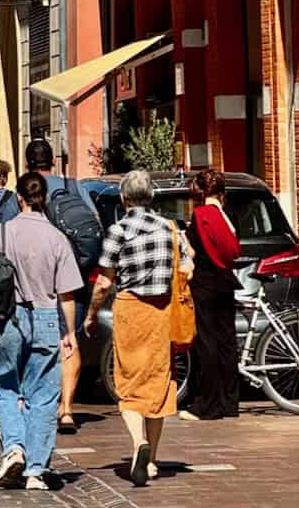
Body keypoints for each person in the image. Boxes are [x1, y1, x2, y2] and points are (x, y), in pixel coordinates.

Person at [84, 169, 193, 488]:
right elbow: (189, 265)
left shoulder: (118, 231)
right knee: (158, 380)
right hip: (162, 311)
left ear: (123, 199)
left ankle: (137, 443)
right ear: (152, 196)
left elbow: (104, 282)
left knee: (129, 379)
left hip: (130, 308)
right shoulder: (170, 228)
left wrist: (91, 314)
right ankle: (153, 459)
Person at [0, 171, 83, 491]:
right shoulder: (57, 237)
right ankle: (36, 470)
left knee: (6, 386)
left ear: (19, 198)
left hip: (9, 317)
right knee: (43, 395)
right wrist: (70, 332)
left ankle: (14, 448)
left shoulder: (1, 233)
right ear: (45, 199)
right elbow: (67, 293)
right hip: (45, 316)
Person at [24, 137, 99, 435]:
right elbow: (93, 223)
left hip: (38, 278)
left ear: (28, 163)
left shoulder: (26, 188)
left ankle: (42, 402)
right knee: (69, 338)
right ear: (53, 161)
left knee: (38, 342)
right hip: (72, 275)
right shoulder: (74, 186)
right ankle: (66, 408)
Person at [184, 168, 241, 420]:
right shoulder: (228, 215)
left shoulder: (200, 215)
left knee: (207, 343)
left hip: (205, 283)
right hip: (226, 281)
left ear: (201, 191)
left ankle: (208, 405)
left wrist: (183, 239)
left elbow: (193, 252)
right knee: (227, 342)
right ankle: (230, 403)